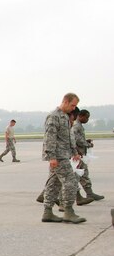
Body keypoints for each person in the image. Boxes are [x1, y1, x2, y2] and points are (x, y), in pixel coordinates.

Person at [41, 93, 85, 224]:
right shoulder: (54, 116)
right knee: (70, 182)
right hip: (58, 156)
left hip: (63, 154)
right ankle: (68, 211)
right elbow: (50, 137)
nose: (74, 108)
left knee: (54, 183)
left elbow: (66, 137)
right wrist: (51, 156)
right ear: (65, 101)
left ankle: (47, 212)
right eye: (72, 105)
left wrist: (74, 152)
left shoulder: (65, 117)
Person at [72, 109, 104, 202]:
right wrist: (88, 144)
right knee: (79, 174)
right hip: (77, 154)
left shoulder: (78, 125)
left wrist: (86, 141)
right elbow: (77, 140)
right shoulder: (76, 126)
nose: (87, 119)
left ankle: (89, 194)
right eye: (87, 117)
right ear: (81, 116)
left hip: (79, 154)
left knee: (83, 174)